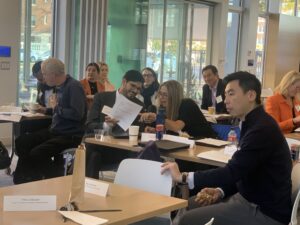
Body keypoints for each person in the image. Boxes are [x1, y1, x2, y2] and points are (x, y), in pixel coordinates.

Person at [161, 72, 292, 225]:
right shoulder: (253, 122)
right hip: (249, 197)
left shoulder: (261, 128)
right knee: (189, 205)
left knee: (186, 218)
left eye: (231, 93)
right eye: (225, 94)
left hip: (264, 210)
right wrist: (220, 191)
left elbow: (232, 171)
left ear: (250, 95)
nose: (226, 100)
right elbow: (243, 170)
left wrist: (183, 177)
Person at [13, 58, 87, 184]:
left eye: (44, 74)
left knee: (37, 153)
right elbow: (59, 111)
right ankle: (27, 178)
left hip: (70, 135)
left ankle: (56, 181)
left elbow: (77, 115)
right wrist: (45, 110)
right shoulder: (59, 86)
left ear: (53, 74)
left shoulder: (73, 86)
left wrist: (56, 108)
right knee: (22, 142)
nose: (43, 77)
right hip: (55, 130)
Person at [85, 70, 145, 179]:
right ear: (124, 81)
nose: (135, 90)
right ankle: (89, 187)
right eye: (133, 85)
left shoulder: (138, 105)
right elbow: (89, 125)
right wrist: (106, 125)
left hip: (120, 150)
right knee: (94, 154)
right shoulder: (102, 97)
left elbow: (138, 132)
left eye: (138, 88)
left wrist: (145, 124)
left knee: (93, 155)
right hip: (98, 145)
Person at [141, 80, 216, 139]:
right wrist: (155, 131)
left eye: (165, 95)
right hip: (188, 145)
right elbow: (173, 132)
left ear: (174, 96)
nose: (161, 97)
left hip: (207, 144)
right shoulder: (164, 108)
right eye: (160, 94)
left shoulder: (187, 104)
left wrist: (156, 117)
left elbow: (176, 127)